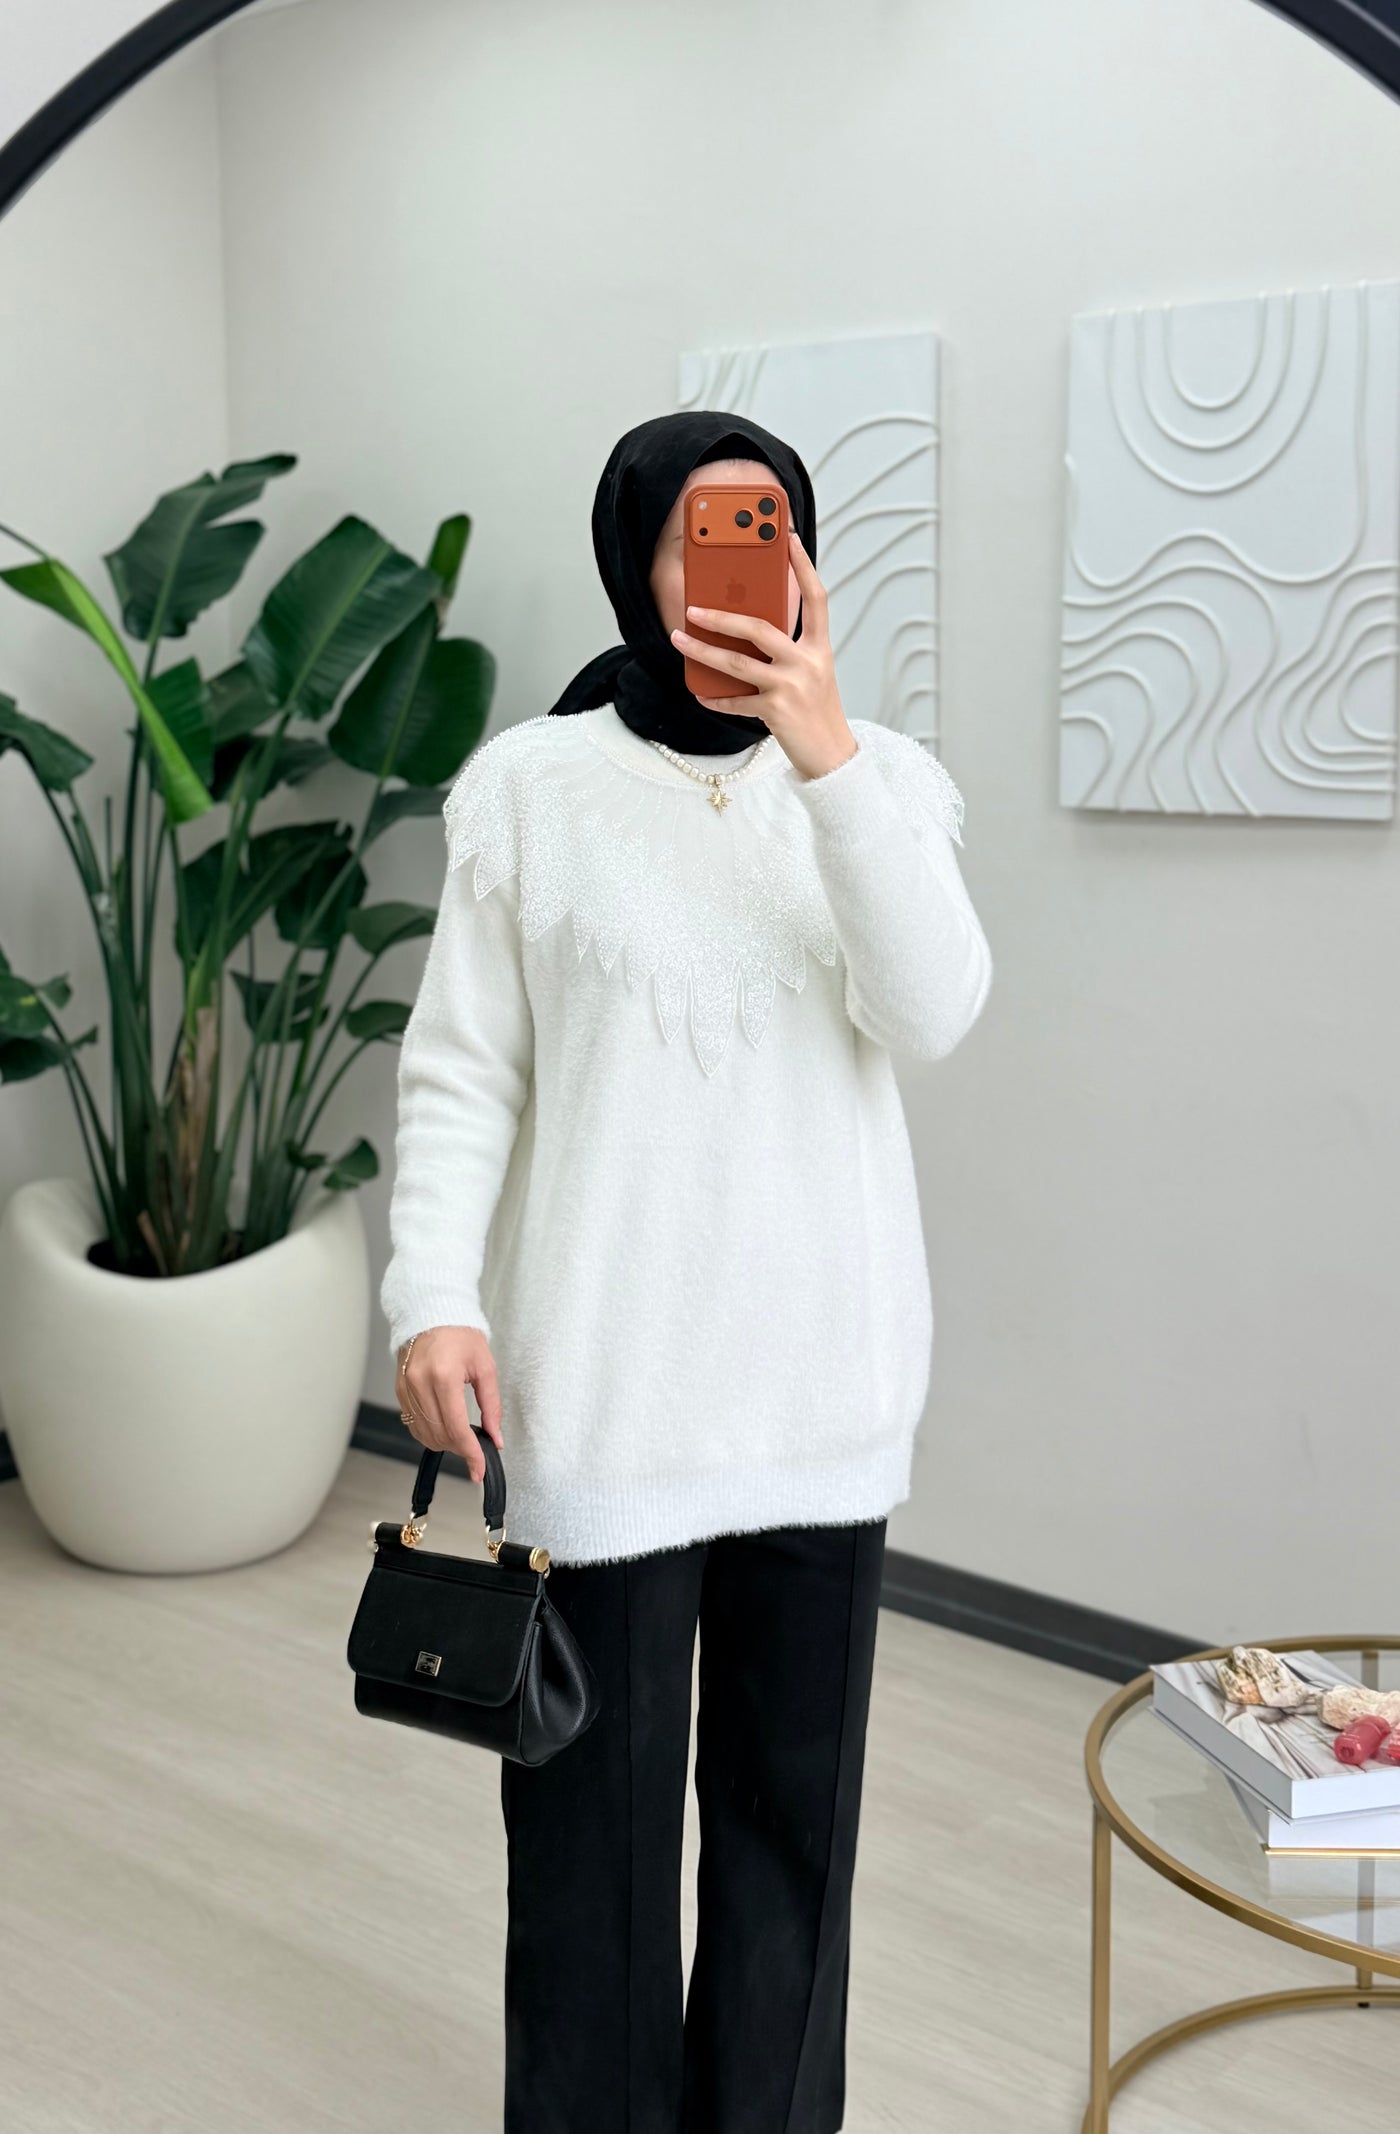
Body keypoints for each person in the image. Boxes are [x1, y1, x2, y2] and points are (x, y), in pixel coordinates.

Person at [381, 409, 993, 2133]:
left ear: (805, 561)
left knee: (796, 1834)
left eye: (770, 525)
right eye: (701, 532)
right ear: (636, 562)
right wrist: (434, 1293)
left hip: (824, 1394)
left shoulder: (881, 783)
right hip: (606, 1392)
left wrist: (829, 759)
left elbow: (935, 1012)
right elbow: (460, 1072)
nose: (741, 562)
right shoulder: (531, 791)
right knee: (591, 1844)